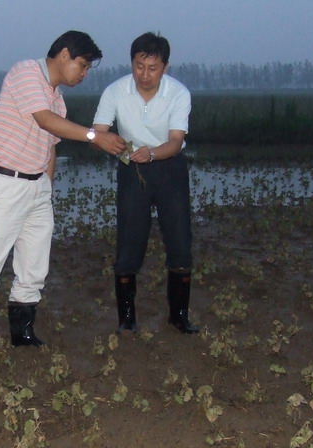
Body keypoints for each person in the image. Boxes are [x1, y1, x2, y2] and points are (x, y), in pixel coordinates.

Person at [0, 31, 126, 363]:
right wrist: (94, 136)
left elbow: (51, 145)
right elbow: (46, 121)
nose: (84, 74)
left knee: (33, 268)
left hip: (37, 187)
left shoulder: (57, 97)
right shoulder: (26, 72)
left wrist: (47, 188)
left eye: (88, 68)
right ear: (64, 54)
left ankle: (23, 334)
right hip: (5, 184)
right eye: (83, 65)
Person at [92, 32, 197, 335]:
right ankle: (127, 319)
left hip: (169, 169)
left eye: (153, 68)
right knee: (129, 242)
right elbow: (98, 131)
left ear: (165, 67)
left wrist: (152, 153)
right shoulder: (114, 91)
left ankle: (179, 316)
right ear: (132, 63)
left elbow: (175, 141)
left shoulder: (178, 93)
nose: (145, 74)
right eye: (139, 66)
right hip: (131, 169)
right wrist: (106, 141)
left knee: (180, 242)